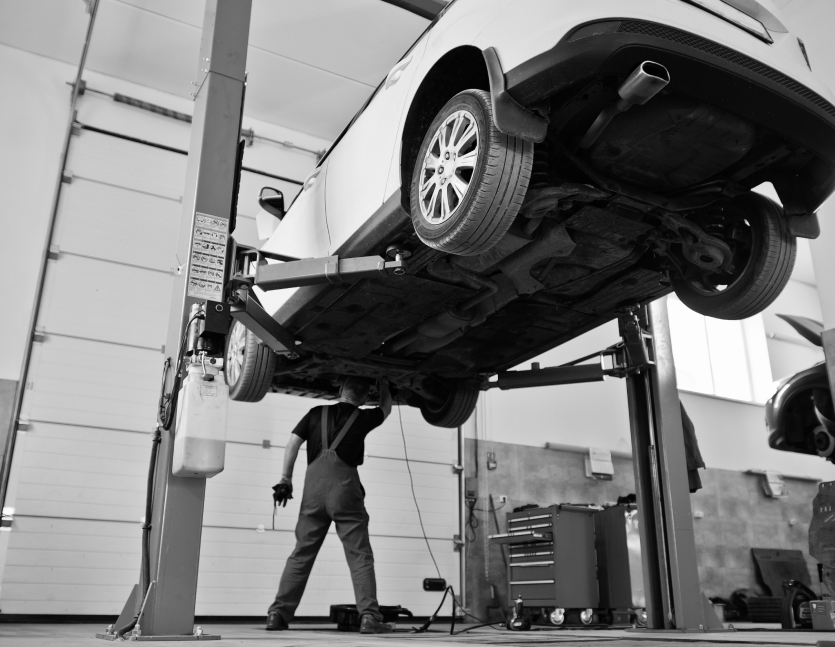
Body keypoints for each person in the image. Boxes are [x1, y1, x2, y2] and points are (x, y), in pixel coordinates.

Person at [266, 376, 393, 633]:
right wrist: (386, 386)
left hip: (313, 492)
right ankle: (369, 617)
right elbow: (386, 409)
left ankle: (278, 615)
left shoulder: (315, 413)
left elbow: (293, 442)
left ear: (340, 390)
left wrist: (285, 479)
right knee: (359, 555)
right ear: (364, 399)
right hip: (345, 492)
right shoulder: (365, 417)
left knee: (301, 554)